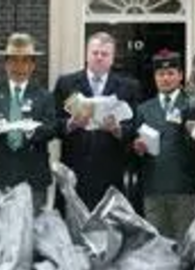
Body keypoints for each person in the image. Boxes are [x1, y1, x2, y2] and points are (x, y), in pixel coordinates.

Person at [53, 31, 141, 212]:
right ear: (87, 54)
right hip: (74, 170)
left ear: (112, 57)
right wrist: (71, 124)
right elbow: (53, 123)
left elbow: (135, 127)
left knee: (109, 232)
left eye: (104, 54)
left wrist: (118, 130)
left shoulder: (129, 86)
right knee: (72, 231)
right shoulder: (66, 83)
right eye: (95, 53)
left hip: (111, 173)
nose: (99, 58)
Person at [0, 33, 56, 213]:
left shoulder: (44, 96)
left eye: (25, 61)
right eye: (14, 61)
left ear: (33, 65)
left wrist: (32, 130)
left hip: (33, 176)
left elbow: (52, 127)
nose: (19, 67)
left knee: (29, 234)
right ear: (6, 64)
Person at [132, 49, 195, 243]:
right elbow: (132, 147)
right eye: (161, 74)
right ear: (155, 77)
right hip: (153, 186)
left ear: (180, 75)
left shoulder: (192, 104)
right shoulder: (143, 109)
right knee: (157, 246)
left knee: (183, 245)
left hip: (183, 186)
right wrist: (137, 147)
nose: (165, 78)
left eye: (171, 73)